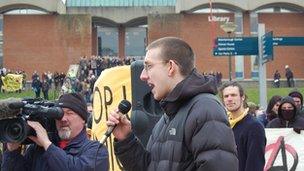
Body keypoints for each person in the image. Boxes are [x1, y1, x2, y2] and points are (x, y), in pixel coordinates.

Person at [107, 37, 238, 170]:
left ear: (171, 67)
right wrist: (125, 139)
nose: (143, 75)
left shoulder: (206, 109)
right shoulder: (168, 115)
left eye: (149, 66)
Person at [2, 93, 109, 171]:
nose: (63, 119)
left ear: (83, 119)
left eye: (69, 113)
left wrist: (47, 145)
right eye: (59, 114)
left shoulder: (97, 151)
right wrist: (12, 151)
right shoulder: (38, 149)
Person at [219, 81, 266, 171]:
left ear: (242, 97)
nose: (229, 99)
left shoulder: (254, 126)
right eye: (226, 96)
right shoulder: (223, 124)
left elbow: (255, 165)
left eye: (233, 95)